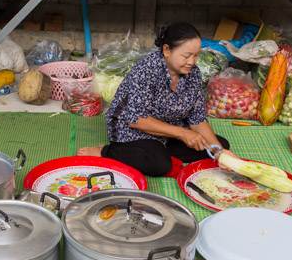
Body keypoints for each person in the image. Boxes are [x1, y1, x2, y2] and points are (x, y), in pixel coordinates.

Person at [78, 22, 230, 177]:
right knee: (159, 165)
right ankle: (107, 151)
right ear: (167, 50)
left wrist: (219, 153)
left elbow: (197, 119)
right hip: (132, 129)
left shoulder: (193, 74)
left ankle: (158, 149)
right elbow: (136, 120)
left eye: (196, 55)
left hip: (169, 129)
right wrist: (183, 134)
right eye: (186, 56)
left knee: (219, 145)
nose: (192, 61)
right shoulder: (147, 70)